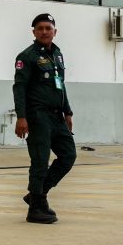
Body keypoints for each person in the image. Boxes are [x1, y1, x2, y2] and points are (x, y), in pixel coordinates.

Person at [12, 12, 75, 224]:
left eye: (48, 28)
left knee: (68, 155)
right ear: (34, 32)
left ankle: (36, 195)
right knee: (40, 161)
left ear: (55, 31)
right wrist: (21, 117)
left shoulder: (57, 54)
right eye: (40, 28)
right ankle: (36, 209)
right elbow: (19, 88)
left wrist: (68, 112)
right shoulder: (26, 56)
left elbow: (60, 84)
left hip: (57, 116)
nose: (44, 32)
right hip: (37, 116)